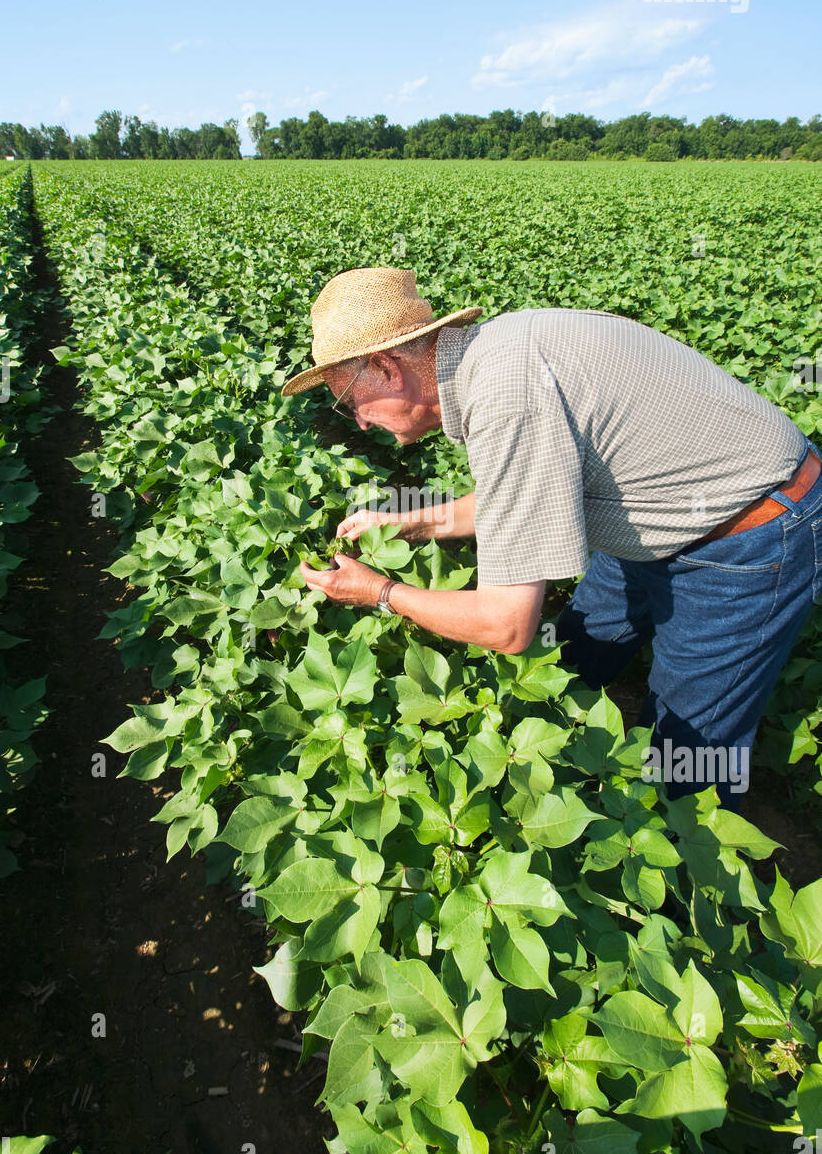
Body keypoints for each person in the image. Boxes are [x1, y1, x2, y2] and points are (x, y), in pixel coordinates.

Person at [281, 266, 822, 809]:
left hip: (748, 534)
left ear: (385, 366)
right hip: (648, 518)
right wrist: (416, 520)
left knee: (686, 754)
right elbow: (524, 493)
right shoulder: (497, 352)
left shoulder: (507, 396)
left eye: (350, 402)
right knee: (570, 661)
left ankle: (691, 861)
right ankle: (575, 783)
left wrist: (378, 592)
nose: (358, 424)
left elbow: (508, 625)